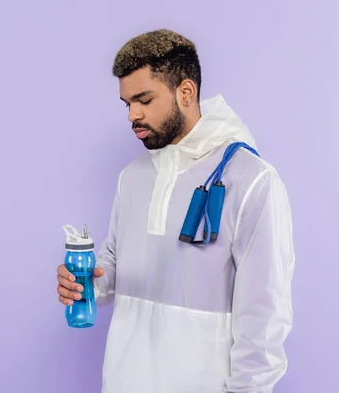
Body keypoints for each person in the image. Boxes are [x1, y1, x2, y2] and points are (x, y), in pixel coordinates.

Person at [56, 29, 295, 393]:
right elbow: (115, 269)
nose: (133, 114)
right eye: (127, 104)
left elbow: (264, 317)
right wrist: (84, 284)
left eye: (144, 100)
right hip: (123, 381)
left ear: (186, 92)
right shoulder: (134, 176)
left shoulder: (251, 180)